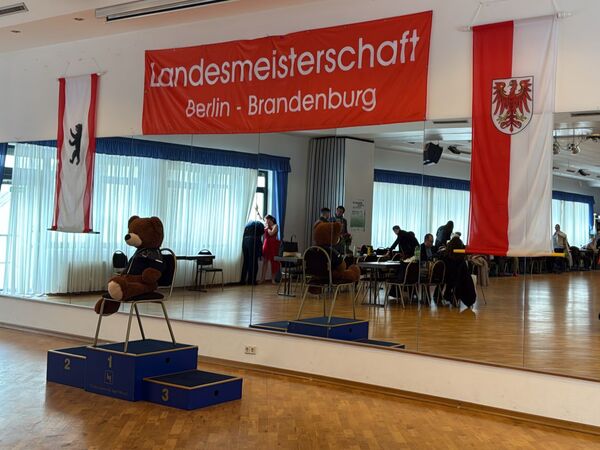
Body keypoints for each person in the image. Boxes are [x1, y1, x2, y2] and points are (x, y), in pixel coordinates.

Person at [241, 220, 264, 285]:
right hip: (253, 241)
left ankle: (242, 280)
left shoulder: (248, 224)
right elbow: (261, 234)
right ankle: (251, 281)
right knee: (253, 262)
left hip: (245, 241)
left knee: (246, 262)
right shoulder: (259, 225)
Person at [260, 215, 280, 283]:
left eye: (267, 220)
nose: (266, 221)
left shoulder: (275, 226)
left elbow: (271, 233)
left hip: (273, 245)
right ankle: (262, 278)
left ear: (270, 219)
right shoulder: (266, 225)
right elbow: (261, 218)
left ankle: (273, 279)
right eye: (265, 220)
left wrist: (267, 227)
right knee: (265, 261)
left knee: (273, 262)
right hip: (266, 244)